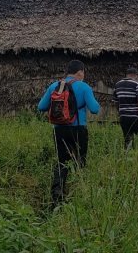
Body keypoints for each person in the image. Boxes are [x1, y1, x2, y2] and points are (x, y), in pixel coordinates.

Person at [38, 60, 101, 205]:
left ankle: (57, 195)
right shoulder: (84, 87)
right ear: (80, 72)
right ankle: (79, 193)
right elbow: (95, 109)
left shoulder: (55, 86)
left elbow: (41, 106)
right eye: (83, 72)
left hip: (59, 130)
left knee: (62, 162)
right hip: (78, 129)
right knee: (80, 162)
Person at [113, 67, 138, 149]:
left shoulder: (117, 85)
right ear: (136, 75)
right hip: (134, 117)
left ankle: (127, 156)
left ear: (127, 74)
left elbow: (116, 102)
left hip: (123, 117)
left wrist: (120, 113)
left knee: (127, 138)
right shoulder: (137, 84)